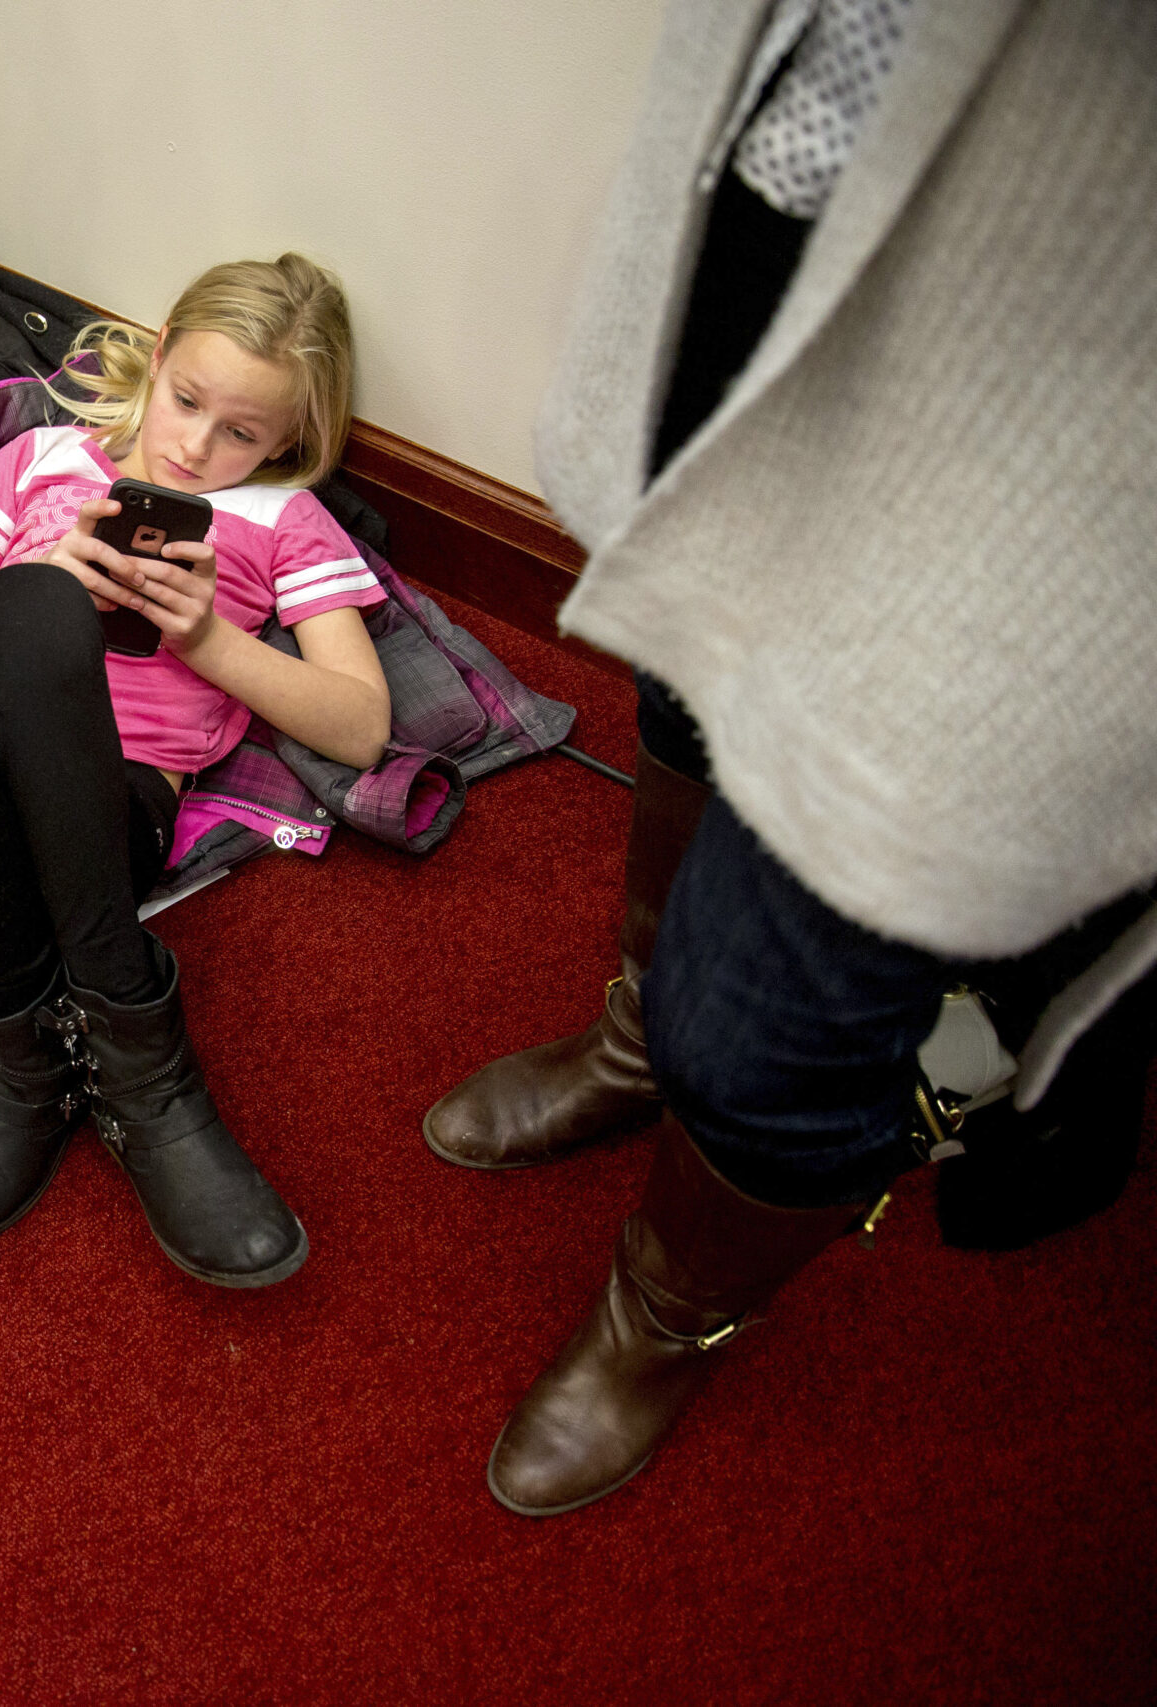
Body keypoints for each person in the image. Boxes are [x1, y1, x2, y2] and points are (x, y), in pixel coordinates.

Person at [446, 0, 1157, 1516]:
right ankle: (636, 1045)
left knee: (803, 970)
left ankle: (671, 1307)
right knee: (695, 664)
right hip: (780, 188)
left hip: (1072, 359)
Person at [0, 255, 389, 1289]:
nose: (190, 447)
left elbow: (359, 727)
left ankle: (79, 1059)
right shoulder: (44, 458)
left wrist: (209, 638)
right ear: (160, 353)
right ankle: (82, 1058)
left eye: (241, 434)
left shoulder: (280, 519)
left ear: (287, 442)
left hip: (107, 820)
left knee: (31, 629)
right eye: (186, 401)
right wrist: (50, 577)